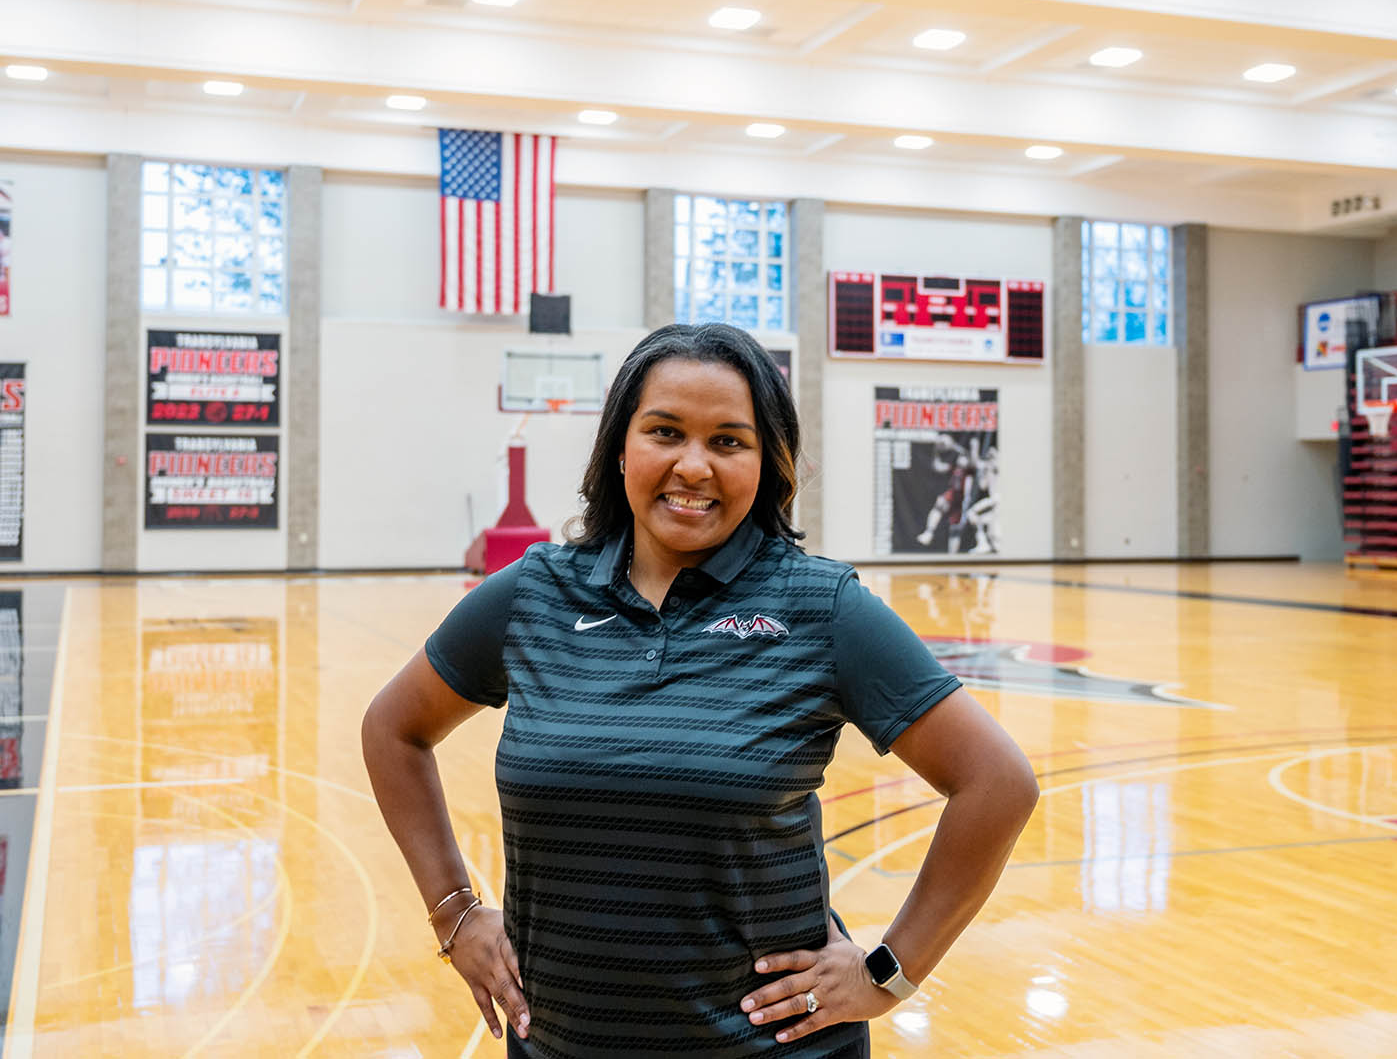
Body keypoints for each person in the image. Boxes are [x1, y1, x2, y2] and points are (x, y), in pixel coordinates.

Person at [361, 323, 1037, 1057]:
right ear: (621, 447)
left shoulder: (820, 608)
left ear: (766, 463)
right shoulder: (535, 595)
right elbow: (393, 728)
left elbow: (997, 782)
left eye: (728, 441)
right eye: (665, 431)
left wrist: (890, 972)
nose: (693, 465)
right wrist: (454, 914)